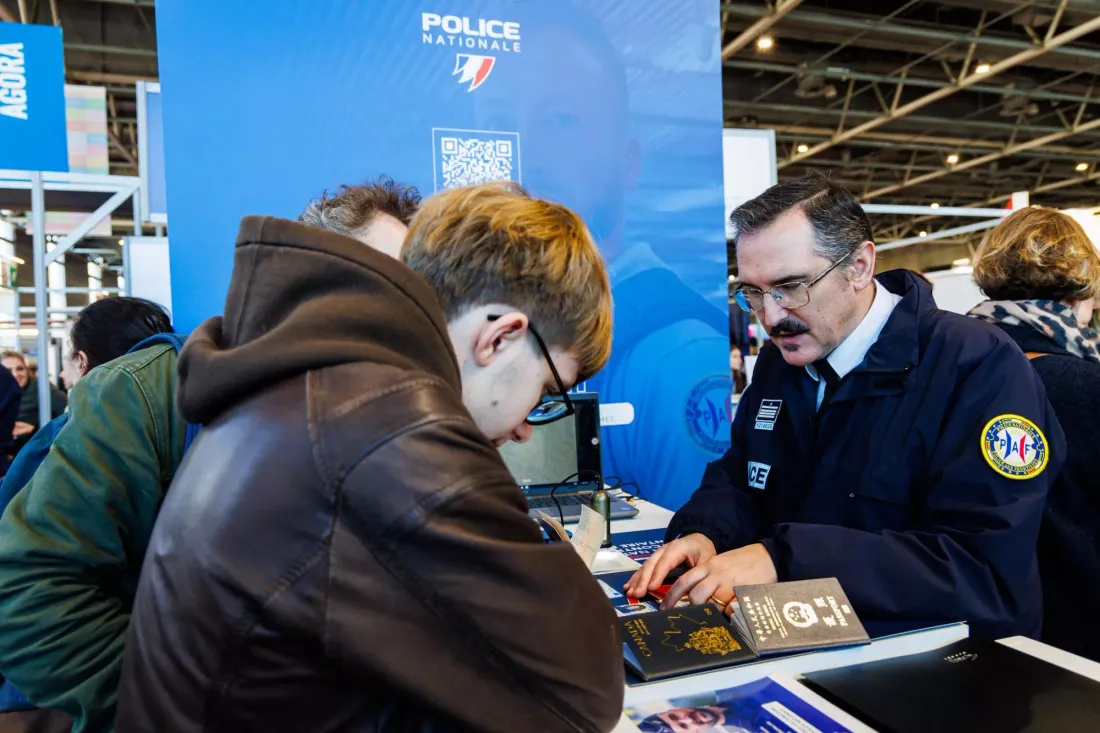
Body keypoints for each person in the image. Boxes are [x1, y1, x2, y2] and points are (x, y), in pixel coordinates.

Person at [114, 182, 623, 732]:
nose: (526, 430)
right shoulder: (395, 429)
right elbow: (581, 691)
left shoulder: (317, 383)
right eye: (547, 392)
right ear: (499, 338)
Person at [0, 179, 422, 733]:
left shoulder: (390, 423)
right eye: (374, 285)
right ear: (302, 281)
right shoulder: (148, 395)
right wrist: (170, 711)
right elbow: (30, 586)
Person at [625, 173, 1065, 640]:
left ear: (859, 266)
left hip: (947, 666)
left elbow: (980, 567)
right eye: (753, 292)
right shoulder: (782, 363)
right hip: (807, 643)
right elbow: (742, 478)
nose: (771, 318)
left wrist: (784, 559)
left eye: (791, 287)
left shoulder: (975, 365)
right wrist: (704, 533)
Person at [969, 207, 1100, 661]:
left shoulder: (948, 367)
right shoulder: (1084, 385)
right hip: (1075, 637)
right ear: (1084, 291)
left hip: (967, 623)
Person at [1, 351, 66, 451]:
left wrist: (35, 429)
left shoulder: (42, 389)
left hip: (33, 450)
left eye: (20, 369)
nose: (15, 374)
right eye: (8, 371)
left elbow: (67, 416)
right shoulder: (4, 394)